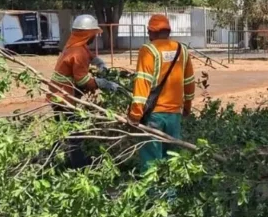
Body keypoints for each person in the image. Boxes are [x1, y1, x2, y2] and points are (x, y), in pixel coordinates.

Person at [49, 14, 120, 167]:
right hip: (64, 97)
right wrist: (103, 83)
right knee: (74, 132)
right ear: (87, 34)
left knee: (63, 129)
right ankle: (78, 165)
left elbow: (88, 55)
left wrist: (98, 62)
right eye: (93, 34)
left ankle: (56, 158)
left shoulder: (75, 46)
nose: (95, 37)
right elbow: (82, 80)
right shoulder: (78, 52)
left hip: (58, 93)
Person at [127, 14, 195, 172]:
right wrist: (187, 106)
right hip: (174, 114)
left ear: (152, 32)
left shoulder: (148, 50)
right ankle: (169, 188)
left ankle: (153, 188)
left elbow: (142, 83)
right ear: (168, 31)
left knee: (151, 160)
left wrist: (135, 115)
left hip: (154, 115)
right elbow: (189, 81)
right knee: (171, 158)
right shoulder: (182, 50)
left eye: (148, 32)